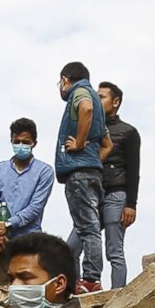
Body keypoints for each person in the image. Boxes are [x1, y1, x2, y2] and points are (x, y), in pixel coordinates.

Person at [0, 118, 55, 308]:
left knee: (25, 291)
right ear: (11, 141)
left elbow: (35, 208)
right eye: (17, 141)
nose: (21, 145)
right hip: (0, 239)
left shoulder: (44, 171)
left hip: (28, 239)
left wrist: (7, 225)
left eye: (26, 142)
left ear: (34, 143)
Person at [54, 60, 109, 292]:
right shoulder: (97, 101)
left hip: (78, 173)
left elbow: (85, 108)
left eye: (60, 82)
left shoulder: (81, 93)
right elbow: (107, 145)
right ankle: (90, 278)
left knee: (87, 227)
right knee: (89, 225)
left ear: (65, 80)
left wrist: (77, 144)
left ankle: (90, 278)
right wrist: (93, 159)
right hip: (93, 170)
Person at [97, 81, 142, 291]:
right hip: (93, 196)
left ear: (115, 102)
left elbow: (134, 171)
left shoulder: (128, 132)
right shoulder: (91, 129)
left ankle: (117, 297)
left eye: (102, 97)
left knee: (114, 251)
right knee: (74, 245)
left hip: (117, 194)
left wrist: (131, 204)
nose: (97, 100)